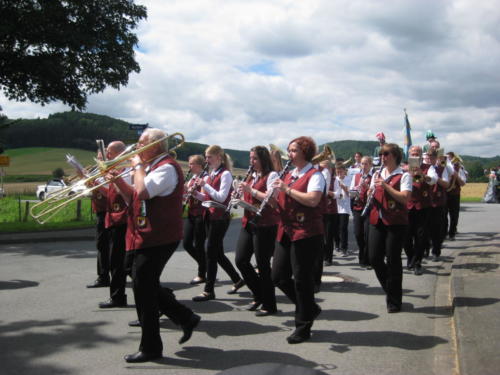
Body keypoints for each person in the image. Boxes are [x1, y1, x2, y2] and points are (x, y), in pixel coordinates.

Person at [111, 128, 200, 363]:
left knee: (143, 287)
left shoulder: (167, 168)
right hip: (143, 233)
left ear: (156, 146)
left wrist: (137, 165)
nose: (136, 148)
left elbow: (143, 191)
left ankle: (151, 347)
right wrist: (116, 177)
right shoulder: (151, 167)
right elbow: (132, 196)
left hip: (160, 236)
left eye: (141, 143)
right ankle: (184, 316)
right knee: (138, 277)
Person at [272, 136, 324, 344]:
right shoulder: (290, 174)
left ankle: (303, 327)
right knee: (278, 276)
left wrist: (286, 190)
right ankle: (310, 308)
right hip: (286, 230)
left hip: (306, 232)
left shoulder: (315, 174)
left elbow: (313, 200)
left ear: (304, 152)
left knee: (302, 281)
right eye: (289, 150)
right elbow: (282, 202)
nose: (289, 154)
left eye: (293, 150)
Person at [191, 145, 244, 301]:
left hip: (220, 217)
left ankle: (209, 290)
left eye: (209, 157)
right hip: (209, 215)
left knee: (211, 252)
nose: (206, 160)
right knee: (217, 253)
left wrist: (204, 185)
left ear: (219, 157)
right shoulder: (209, 175)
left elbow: (220, 197)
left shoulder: (226, 174)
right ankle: (237, 279)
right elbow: (206, 197)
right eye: (206, 156)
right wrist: (194, 193)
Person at [235, 146, 279, 316]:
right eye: (250, 158)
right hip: (249, 222)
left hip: (265, 225)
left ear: (263, 159)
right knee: (241, 260)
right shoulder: (252, 176)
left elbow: (272, 199)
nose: (251, 162)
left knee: (263, 265)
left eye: (254, 159)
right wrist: (239, 198)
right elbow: (249, 199)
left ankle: (269, 304)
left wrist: (250, 190)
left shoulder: (272, 175)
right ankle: (259, 294)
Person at [368, 143, 412, 313]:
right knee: (374, 258)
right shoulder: (377, 173)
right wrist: (368, 191)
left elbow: (405, 198)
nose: (382, 157)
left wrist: (385, 186)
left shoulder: (404, 175)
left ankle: (394, 300)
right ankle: (392, 289)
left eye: (386, 154)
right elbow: (372, 194)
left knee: (393, 260)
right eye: (381, 154)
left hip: (395, 222)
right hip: (376, 220)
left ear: (395, 156)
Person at [99, 141, 130, 308]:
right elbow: (109, 193)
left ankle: (118, 297)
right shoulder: (117, 170)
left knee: (119, 263)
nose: (107, 156)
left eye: (109, 153)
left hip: (123, 220)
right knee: (116, 262)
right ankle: (117, 296)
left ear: (118, 153)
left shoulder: (126, 171)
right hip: (113, 219)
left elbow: (126, 193)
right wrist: (97, 184)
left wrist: (113, 178)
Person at [404, 145, 437, 275]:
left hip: (423, 206)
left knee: (420, 235)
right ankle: (411, 256)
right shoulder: (403, 168)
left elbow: (432, 180)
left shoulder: (428, 167)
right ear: (409, 155)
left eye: (417, 153)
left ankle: (417, 262)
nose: (415, 155)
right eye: (413, 153)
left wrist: (421, 174)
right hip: (407, 206)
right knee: (406, 236)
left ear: (421, 155)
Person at [183, 155, 207, 284]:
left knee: (199, 245)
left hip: (201, 214)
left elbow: (205, 197)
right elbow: (187, 195)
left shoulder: (205, 177)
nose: (189, 166)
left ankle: (202, 273)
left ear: (199, 165)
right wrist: (184, 192)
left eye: (191, 164)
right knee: (187, 243)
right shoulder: (192, 178)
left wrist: (194, 193)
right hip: (191, 213)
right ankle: (205, 264)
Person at [350, 156, 373, 268]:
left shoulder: (374, 176)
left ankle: (366, 259)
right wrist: (355, 191)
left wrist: (367, 186)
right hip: (358, 207)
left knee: (367, 234)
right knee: (358, 233)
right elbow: (351, 192)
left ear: (370, 165)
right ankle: (362, 253)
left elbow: (374, 192)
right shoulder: (356, 176)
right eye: (362, 164)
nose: (363, 166)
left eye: (366, 164)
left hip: (369, 208)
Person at [427, 148, 449, 260]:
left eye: (431, 157)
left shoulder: (441, 169)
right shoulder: (422, 168)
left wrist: (435, 178)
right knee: (424, 228)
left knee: (436, 228)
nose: (429, 158)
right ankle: (425, 251)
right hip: (425, 201)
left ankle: (436, 250)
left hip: (438, 201)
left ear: (435, 158)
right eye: (428, 156)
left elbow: (446, 184)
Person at [445, 152, 467, 240]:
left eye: (450, 158)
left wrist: (456, 176)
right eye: (447, 159)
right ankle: (444, 232)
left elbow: (463, 183)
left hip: (455, 194)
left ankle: (452, 232)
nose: (450, 161)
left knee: (454, 215)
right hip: (445, 193)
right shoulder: (444, 168)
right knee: (443, 214)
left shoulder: (459, 168)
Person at [334, 163, 351, 256]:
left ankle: (344, 248)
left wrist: (343, 186)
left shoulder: (349, 179)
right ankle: (337, 245)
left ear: (345, 171)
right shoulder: (335, 180)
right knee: (335, 228)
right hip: (335, 207)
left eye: (341, 171)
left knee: (343, 228)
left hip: (345, 207)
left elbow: (349, 194)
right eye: (337, 171)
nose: (339, 173)